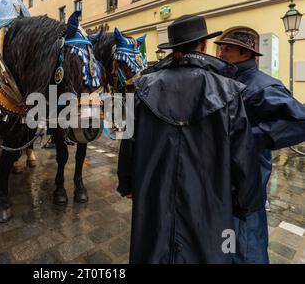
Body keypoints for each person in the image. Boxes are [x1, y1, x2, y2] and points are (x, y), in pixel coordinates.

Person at [117, 15, 263, 264]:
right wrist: (244, 202)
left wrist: (128, 183)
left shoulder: (142, 88)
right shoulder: (228, 90)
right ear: (204, 46)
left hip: (153, 201)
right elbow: (244, 157)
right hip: (210, 206)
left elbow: (128, 142)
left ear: (172, 48)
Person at [215, 30, 305, 264]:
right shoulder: (228, 80)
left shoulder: (262, 86)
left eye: (227, 48)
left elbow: (300, 121)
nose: (220, 52)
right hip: (225, 181)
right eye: (220, 47)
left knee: (247, 248)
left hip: (247, 182)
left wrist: (247, 137)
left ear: (245, 53)